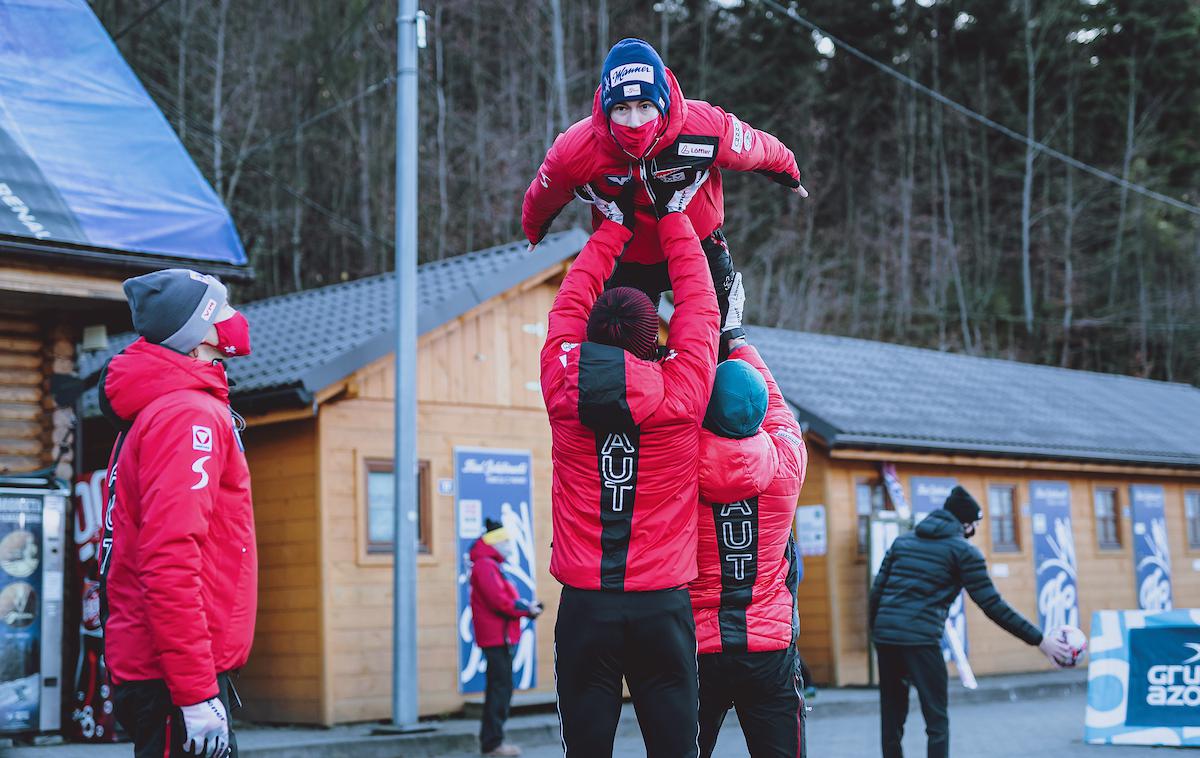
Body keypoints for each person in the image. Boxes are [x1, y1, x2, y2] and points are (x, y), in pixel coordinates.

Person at [540, 167, 723, 757]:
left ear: (592, 338)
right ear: (653, 342)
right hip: (662, 604)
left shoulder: (563, 386)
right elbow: (700, 308)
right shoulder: (682, 393)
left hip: (586, 606)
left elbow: (567, 309)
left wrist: (610, 230)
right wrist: (673, 217)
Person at [523, 37, 805, 329]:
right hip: (630, 258)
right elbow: (544, 192)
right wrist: (534, 229)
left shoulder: (703, 126)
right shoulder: (576, 148)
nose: (634, 121)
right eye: (622, 108)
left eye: (645, 106)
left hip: (698, 246)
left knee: (724, 339)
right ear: (607, 110)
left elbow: (756, 147)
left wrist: (789, 173)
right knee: (625, 349)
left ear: (662, 103)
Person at [99, 269, 256, 758]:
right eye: (222, 311)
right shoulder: (188, 414)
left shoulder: (166, 408)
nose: (236, 321)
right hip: (174, 679)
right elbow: (169, 559)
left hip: (170, 671)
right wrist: (195, 693)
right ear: (200, 333)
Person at [868, 486, 1075, 758]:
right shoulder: (963, 552)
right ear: (965, 524)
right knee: (937, 720)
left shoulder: (902, 542)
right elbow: (993, 606)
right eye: (975, 525)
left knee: (892, 716)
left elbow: (877, 592)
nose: (974, 531)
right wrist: (1040, 640)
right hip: (921, 640)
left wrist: (877, 631)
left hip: (887, 637)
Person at [690, 321, 810, 758]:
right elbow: (779, 410)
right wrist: (738, 340)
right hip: (770, 647)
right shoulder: (788, 462)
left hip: (698, 646)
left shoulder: (676, 470)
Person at [469, 518, 544, 757]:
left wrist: (523, 607)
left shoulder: (488, 564)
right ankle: (492, 744)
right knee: (500, 690)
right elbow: (499, 601)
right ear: (496, 542)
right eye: (505, 541)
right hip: (497, 638)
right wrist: (525, 610)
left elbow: (502, 599)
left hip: (498, 637)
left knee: (499, 688)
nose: (509, 545)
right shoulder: (485, 566)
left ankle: (492, 742)